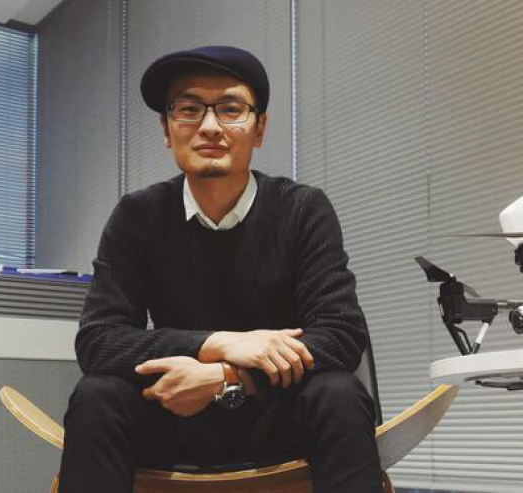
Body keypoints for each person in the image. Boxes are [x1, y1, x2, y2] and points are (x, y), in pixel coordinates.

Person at [58, 45, 383, 493]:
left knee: (339, 393)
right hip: (173, 415)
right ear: (167, 129)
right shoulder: (137, 215)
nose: (209, 126)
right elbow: (98, 340)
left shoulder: (302, 209)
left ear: (259, 128)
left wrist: (226, 378)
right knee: (97, 396)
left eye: (230, 109)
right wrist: (218, 343)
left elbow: (341, 334)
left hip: (277, 416)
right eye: (189, 109)